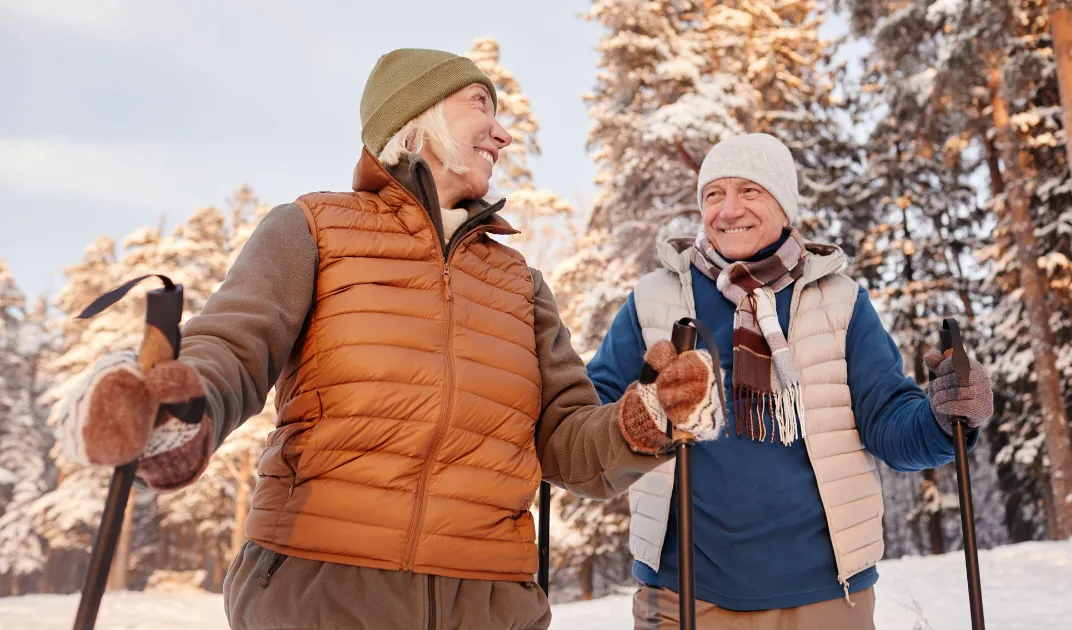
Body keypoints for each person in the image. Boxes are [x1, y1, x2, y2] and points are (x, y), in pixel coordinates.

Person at [55, 48, 721, 630]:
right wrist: (174, 408)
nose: (505, 133)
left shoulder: (518, 281)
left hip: (488, 605)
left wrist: (649, 417)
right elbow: (230, 348)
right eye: (480, 105)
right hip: (319, 596)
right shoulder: (315, 229)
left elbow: (570, 445)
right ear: (419, 116)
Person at [586, 133, 995, 629]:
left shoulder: (837, 300)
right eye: (713, 194)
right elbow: (590, 428)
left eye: (749, 191)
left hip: (825, 595)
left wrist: (944, 415)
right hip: (684, 593)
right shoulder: (657, 299)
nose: (728, 209)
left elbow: (889, 423)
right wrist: (643, 410)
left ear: (783, 203)